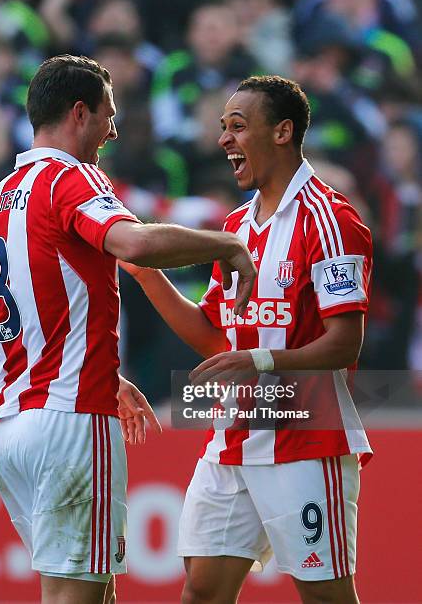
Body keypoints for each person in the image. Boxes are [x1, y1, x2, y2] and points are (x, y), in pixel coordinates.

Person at [0, 54, 256, 604]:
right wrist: (226, 243)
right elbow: (136, 243)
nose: (114, 129)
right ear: (79, 113)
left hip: (10, 426)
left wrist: (106, 373)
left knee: (91, 591)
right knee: (74, 595)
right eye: (108, 114)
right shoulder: (68, 177)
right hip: (69, 422)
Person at [120, 75, 373, 603]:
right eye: (221, 128)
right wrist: (147, 274)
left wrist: (258, 360)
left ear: (283, 132)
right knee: (202, 589)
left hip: (307, 439)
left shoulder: (331, 220)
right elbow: (215, 339)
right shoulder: (236, 228)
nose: (223, 140)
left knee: (326, 595)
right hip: (233, 439)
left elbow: (345, 343)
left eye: (237, 126)